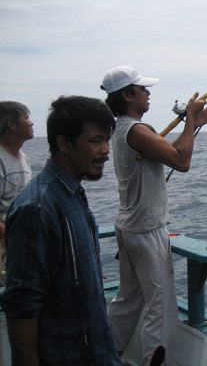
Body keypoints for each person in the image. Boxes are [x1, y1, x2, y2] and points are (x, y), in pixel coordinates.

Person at [101, 65, 207, 366]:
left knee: (128, 300)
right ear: (127, 95)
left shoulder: (123, 129)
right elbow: (182, 161)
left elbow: (169, 151)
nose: (148, 93)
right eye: (143, 89)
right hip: (147, 229)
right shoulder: (137, 130)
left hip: (129, 226)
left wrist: (194, 124)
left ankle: (104, 356)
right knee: (161, 309)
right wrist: (189, 118)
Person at [0, 96, 122, 366]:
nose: (105, 150)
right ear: (64, 144)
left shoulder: (71, 193)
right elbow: (22, 303)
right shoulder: (38, 208)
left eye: (106, 140)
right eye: (95, 141)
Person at [0, 101, 34, 286]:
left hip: (21, 240)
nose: (31, 123)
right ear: (11, 125)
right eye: (26, 118)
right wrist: (8, 235)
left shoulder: (24, 158)